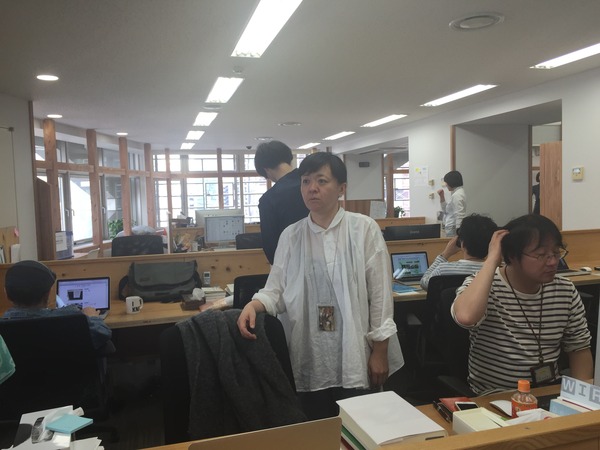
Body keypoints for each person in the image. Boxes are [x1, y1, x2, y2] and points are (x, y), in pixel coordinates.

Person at [238, 152, 404, 420]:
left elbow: (381, 295)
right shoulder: (292, 235)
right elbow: (275, 290)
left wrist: (380, 351)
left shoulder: (363, 229)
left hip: (355, 349)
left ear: (342, 188)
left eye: (321, 181)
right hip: (310, 350)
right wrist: (253, 305)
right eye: (305, 181)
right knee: (316, 423)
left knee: (358, 425)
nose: (312, 188)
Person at [452, 214, 593, 395]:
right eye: (541, 255)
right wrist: (492, 259)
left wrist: (581, 399)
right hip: (497, 397)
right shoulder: (484, 286)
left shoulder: (564, 289)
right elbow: (466, 317)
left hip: (548, 391)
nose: (552, 262)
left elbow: (579, 348)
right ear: (512, 256)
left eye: (556, 253)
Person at [2, 260, 113, 351]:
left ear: (6, 293)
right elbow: (102, 333)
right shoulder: (71, 317)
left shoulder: (3, 328)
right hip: (69, 372)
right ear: (48, 294)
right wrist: (92, 317)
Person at [254, 140, 310, 264]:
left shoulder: (268, 199)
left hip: (291, 265)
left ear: (266, 170)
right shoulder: (314, 186)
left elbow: (271, 249)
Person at [420, 214, 497, 290]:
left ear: (461, 243)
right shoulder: (495, 272)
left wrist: (445, 254)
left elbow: (424, 283)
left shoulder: (443, 269)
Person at [437, 170, 466, 237]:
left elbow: (459, 214)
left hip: (453, 228)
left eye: (446, 183)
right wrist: (442, 196)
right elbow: (446, 210)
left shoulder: (457, 195)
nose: (446, 185)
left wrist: (458, 233)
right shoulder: (458, 193)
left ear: (451, 182)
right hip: (451, 227)